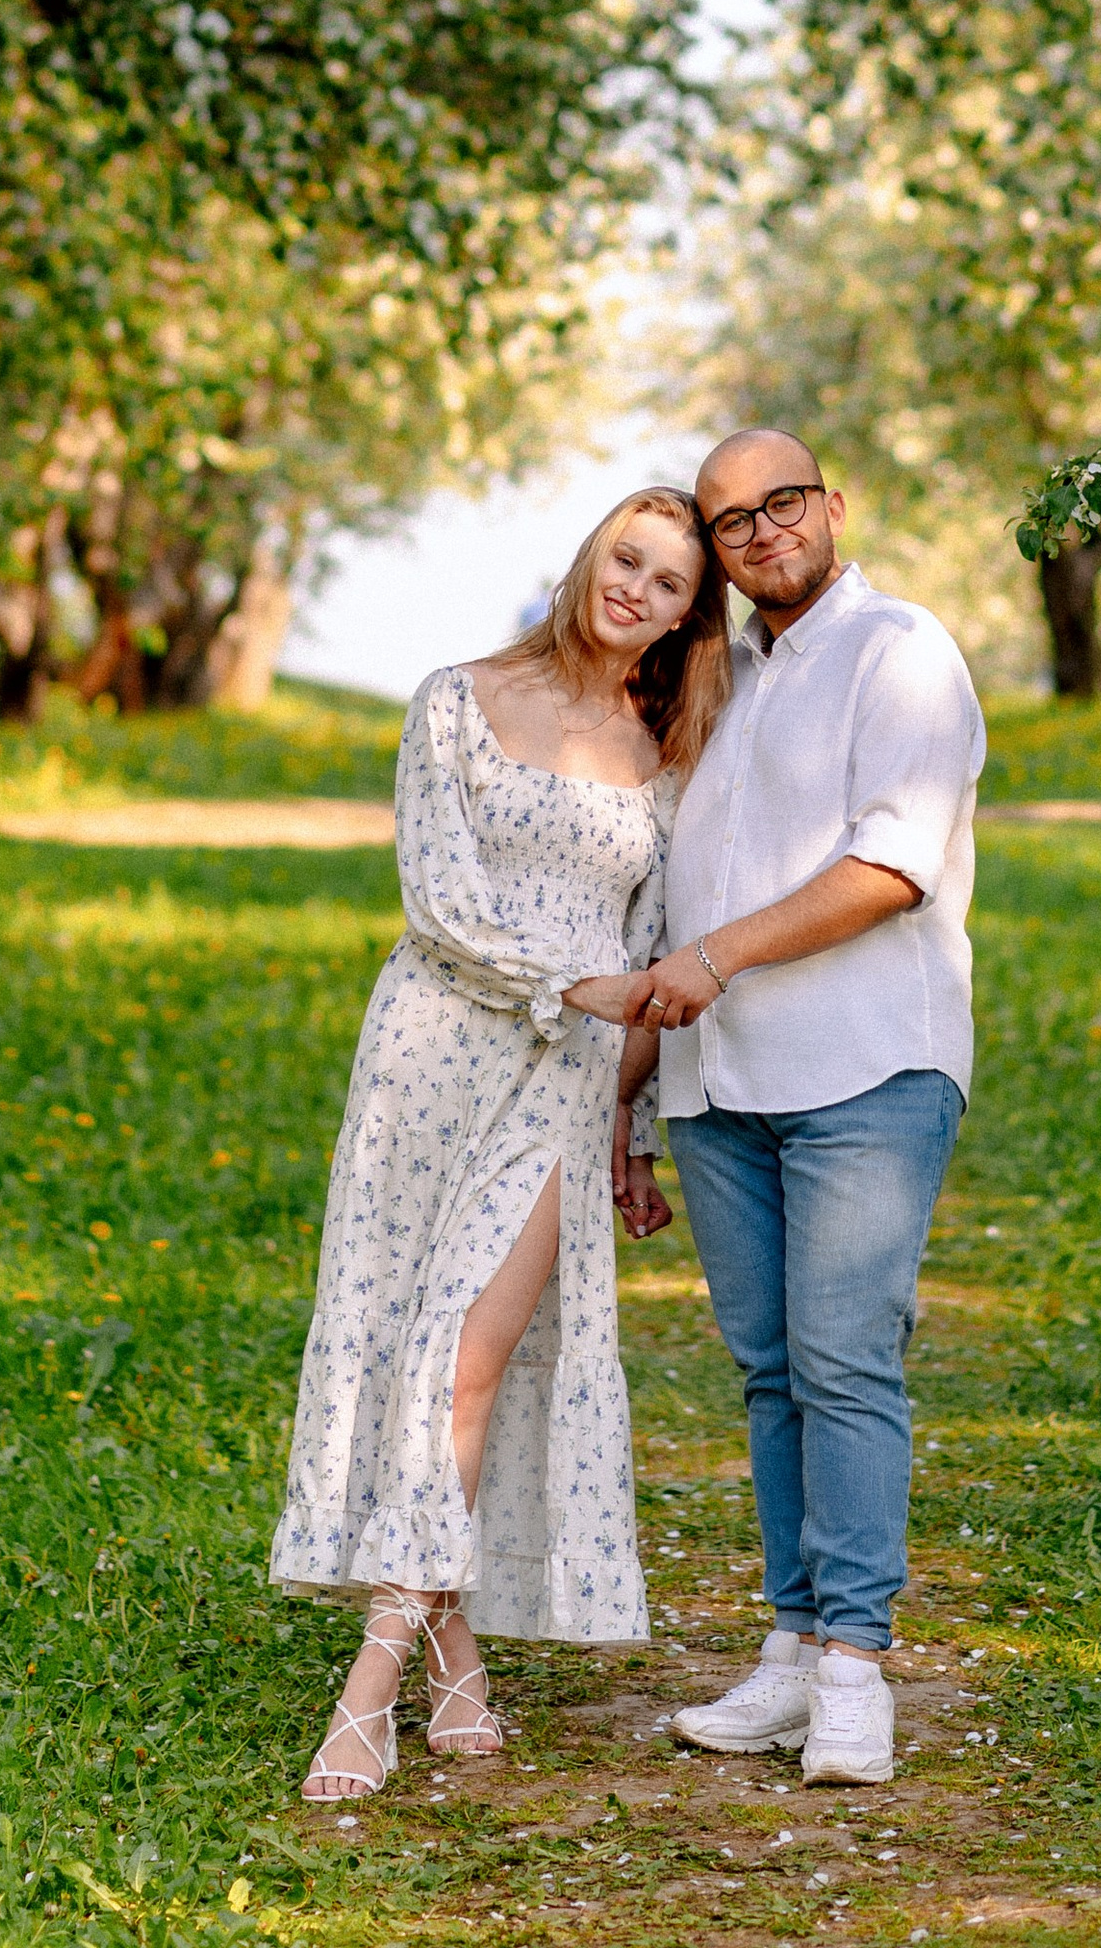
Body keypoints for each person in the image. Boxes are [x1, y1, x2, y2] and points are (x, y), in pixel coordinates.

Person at [272, 487, 730, 1797]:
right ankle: (453, 1653)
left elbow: (648, 956)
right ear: (591, 555)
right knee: (401, 1338)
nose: (636, 589)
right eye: (627, 559)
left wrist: (630, 1132)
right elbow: (441, 902)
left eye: (669, 584)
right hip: (426, 1056)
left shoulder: (662, 756)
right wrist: (572, 984)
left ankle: (369, 1689)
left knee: (464, 1363)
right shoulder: (455, 701)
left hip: (560, 1088)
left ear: (685, 618)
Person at [630, 426, 985, 1790]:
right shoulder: (718, 683)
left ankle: (853, 1671)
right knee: (772, 1371)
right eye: (732, 520)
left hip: (864, 1065)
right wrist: (637, 1111)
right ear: (717, 552)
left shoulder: (902, 651)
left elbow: (892, 866)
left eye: (783, 501)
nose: (764, 529)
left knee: (843, 1362)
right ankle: (790, 1648)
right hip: (719, 1082)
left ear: (833, 505)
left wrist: (715, 960)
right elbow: (661, 889)